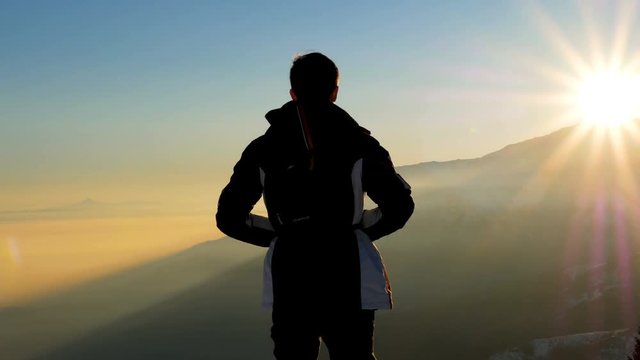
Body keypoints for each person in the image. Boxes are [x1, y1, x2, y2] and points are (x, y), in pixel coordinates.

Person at [216, 52, 414, 360]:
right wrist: (357, 231)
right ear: (335, 92)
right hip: (346, 268)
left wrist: (284, 236)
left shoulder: (262, 149)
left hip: (291, 273)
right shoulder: (360, 145)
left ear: (293, 92)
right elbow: (400, 206)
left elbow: (229, 218)